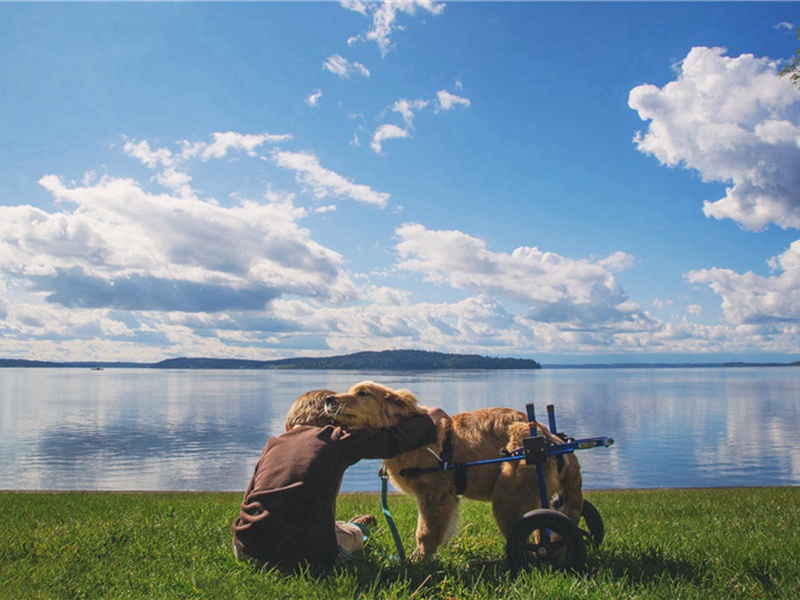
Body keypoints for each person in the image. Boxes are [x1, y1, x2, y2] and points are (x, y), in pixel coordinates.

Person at [231, 389, 449, 573]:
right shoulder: (335, 439)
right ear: (337, 424)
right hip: (304, 559)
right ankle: (355, 528)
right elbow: (392, 441)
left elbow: (250, 496)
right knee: (351, 536)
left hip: (245, 547)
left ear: (288, 426)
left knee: (305, 519)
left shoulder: (272, 444)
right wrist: (431, 417)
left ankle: (340, 527)